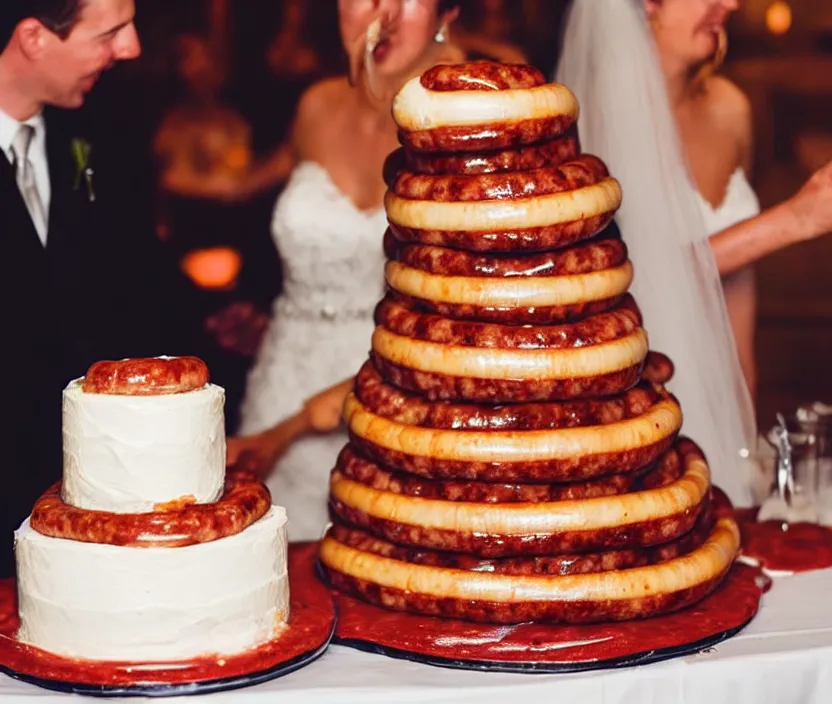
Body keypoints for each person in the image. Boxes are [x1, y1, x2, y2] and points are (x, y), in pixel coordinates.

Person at [556, 0, 832, 505]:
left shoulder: (731, 110)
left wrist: (741, 430)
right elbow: (614, 282)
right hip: (632, 430)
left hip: (719, 418)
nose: (729, 4)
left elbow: (736, 288)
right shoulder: (581, 126)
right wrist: (796, 219)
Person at [0, 0, 235, 577]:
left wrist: (218, 322)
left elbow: (132, 266)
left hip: (95, 484)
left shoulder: (98, 128)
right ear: (33, 37)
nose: (131, 47)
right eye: (109, 32)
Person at [226, 0, 466, 541]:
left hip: (403, 402)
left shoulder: (466, 118)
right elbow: (245, 190)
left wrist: (289, 428)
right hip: (284, 379)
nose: (381, 14)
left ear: (447, 10)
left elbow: (459, 322)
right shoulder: (316, 105)